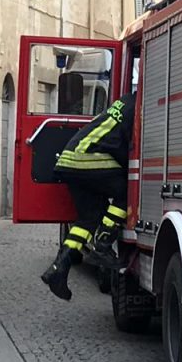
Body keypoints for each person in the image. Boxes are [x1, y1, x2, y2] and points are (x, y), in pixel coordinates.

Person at [41, 91, 136, 300]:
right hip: (85, 158)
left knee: (87, 220)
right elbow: (125, 149)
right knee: (127, 190)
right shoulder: (138, 109)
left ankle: (57, 270)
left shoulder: (124, 103)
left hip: (70, 159)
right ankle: (102, 244)